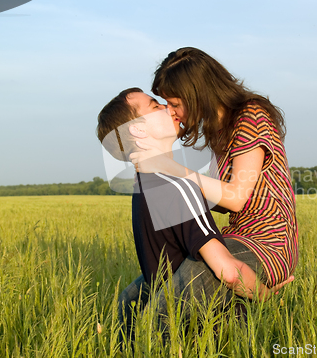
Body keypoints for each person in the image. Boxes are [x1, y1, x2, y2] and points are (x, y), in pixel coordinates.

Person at [96, 87, 290, 343]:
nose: (169, 108)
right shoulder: (177, 186)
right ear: (138, 130)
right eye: (156, 107)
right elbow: (228, 272)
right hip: (206, 333)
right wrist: (268, 296)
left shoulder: (142, 186)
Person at [130, 47, 298, 290]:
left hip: (269, 244)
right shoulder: (219, 132)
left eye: (175, 103)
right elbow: (218, 200)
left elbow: (236, 198)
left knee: (184, 284)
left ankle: (262, 302)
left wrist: (168, 166)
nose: (170, 111)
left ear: (197, 95)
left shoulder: (250, 116)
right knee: (137, 293)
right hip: (236, 236)